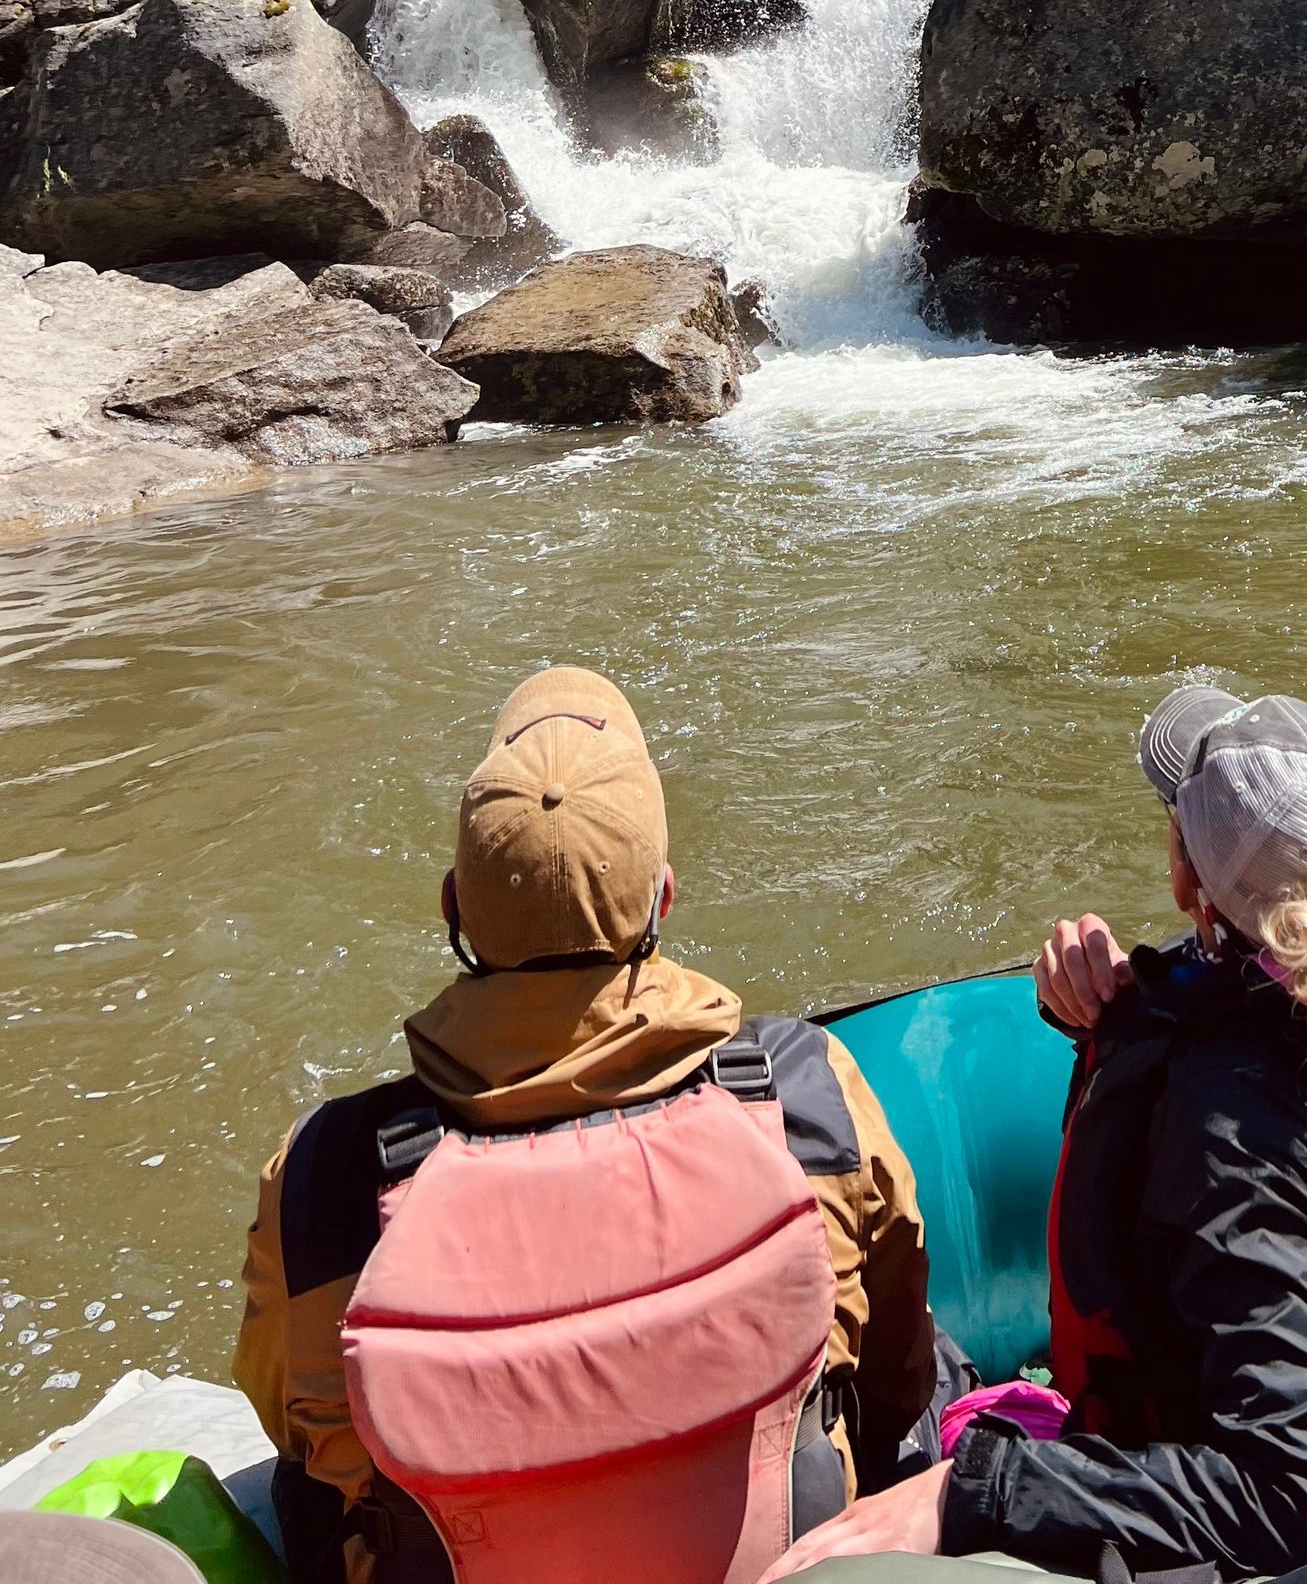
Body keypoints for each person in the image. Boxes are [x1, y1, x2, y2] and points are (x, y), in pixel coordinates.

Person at [763, 684, 1307, 1581]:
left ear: (1188, 880)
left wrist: (972, 1492)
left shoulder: (1241, 1131)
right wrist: (1117, 1019)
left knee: (945, 1408)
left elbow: (1295, 1496)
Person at [234, 666, 937, 1583]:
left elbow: (281, 1406)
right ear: (664, 899)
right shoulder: (805, 1094)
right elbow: (895, 1380)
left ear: (454, 908)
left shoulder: (324, 1174)